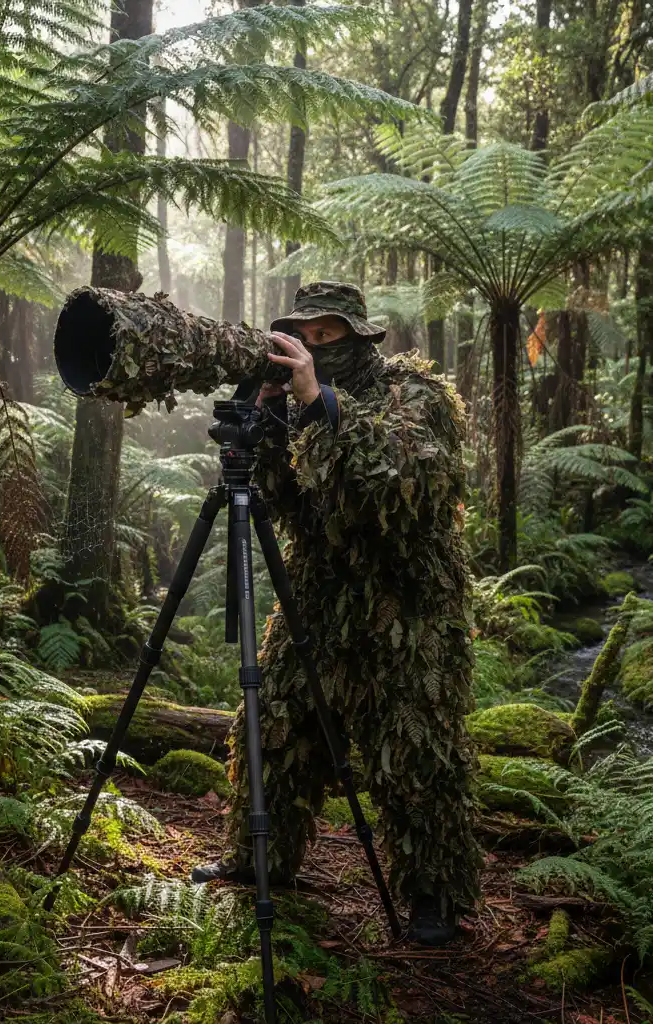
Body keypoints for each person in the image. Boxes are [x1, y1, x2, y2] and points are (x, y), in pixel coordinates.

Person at [191, 281, 481, 946]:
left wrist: (319, 404)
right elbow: (289, 500)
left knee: (415, 754)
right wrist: (264, 425)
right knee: (277, 727)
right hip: (317, 593)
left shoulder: (416, 394)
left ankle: (432, 895)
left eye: (329, 335)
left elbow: (398, 481)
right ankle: (259, 857)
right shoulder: (294, 397)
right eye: (305, 334)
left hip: (407, 603)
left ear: (358, 338)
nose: (314, 345)